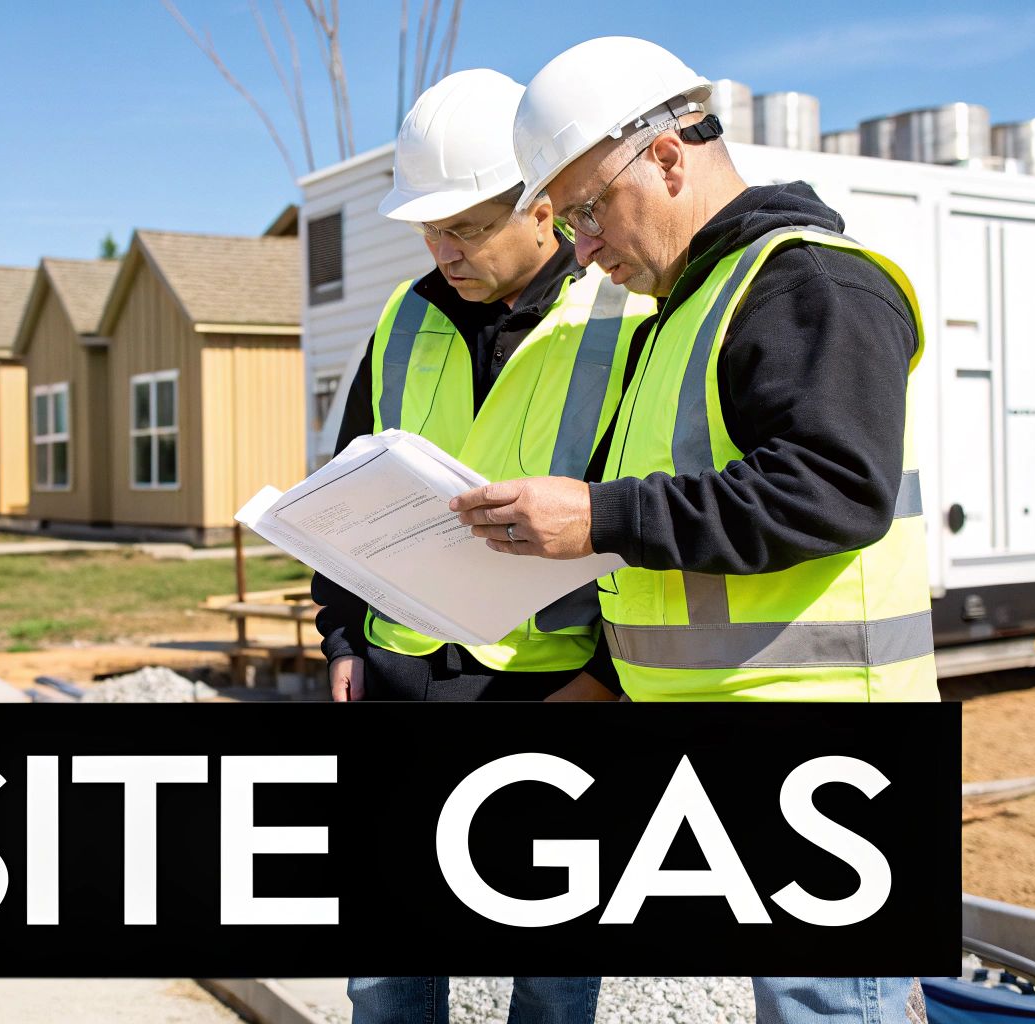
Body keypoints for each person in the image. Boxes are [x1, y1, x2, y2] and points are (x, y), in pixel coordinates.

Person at [450, 36, 937, 1022]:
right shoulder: (682, 310)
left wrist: (595, 515)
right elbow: (689, 552)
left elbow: (832, 488)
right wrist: (609, 681)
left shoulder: (806, 283)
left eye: (586, 209)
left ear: (667, 158)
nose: (579, 246)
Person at [313, 68, 648, 1024]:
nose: (440, 250)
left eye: (464, 227)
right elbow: (347, 491)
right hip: (398, 680)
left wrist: (611, 683)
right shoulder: (404, 317)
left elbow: (653, 516)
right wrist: (341, 637)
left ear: (545, 206)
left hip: (553, 689)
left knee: (548, 981)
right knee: (385, 978)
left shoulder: (627, 319)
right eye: (428, 228)